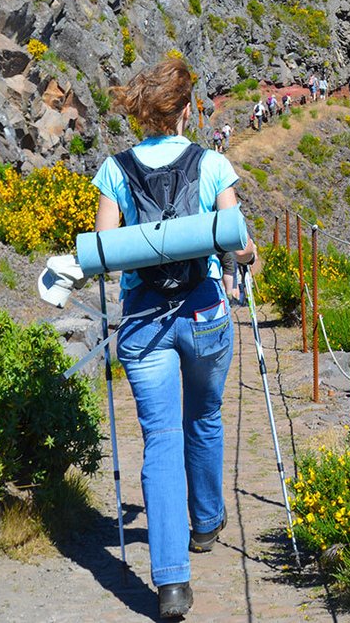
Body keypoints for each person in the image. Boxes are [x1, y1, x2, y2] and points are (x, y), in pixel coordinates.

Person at [93, 56, 258, 621]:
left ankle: (170, 584)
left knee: (160, 437)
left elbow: (107, 250)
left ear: (143, 111)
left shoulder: (114, 170)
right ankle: (207, 523)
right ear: (187, 109)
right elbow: (237, 244)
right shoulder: (213, 164)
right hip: (206, 312)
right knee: (205, 417)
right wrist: (248, 255)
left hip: (144, 321)